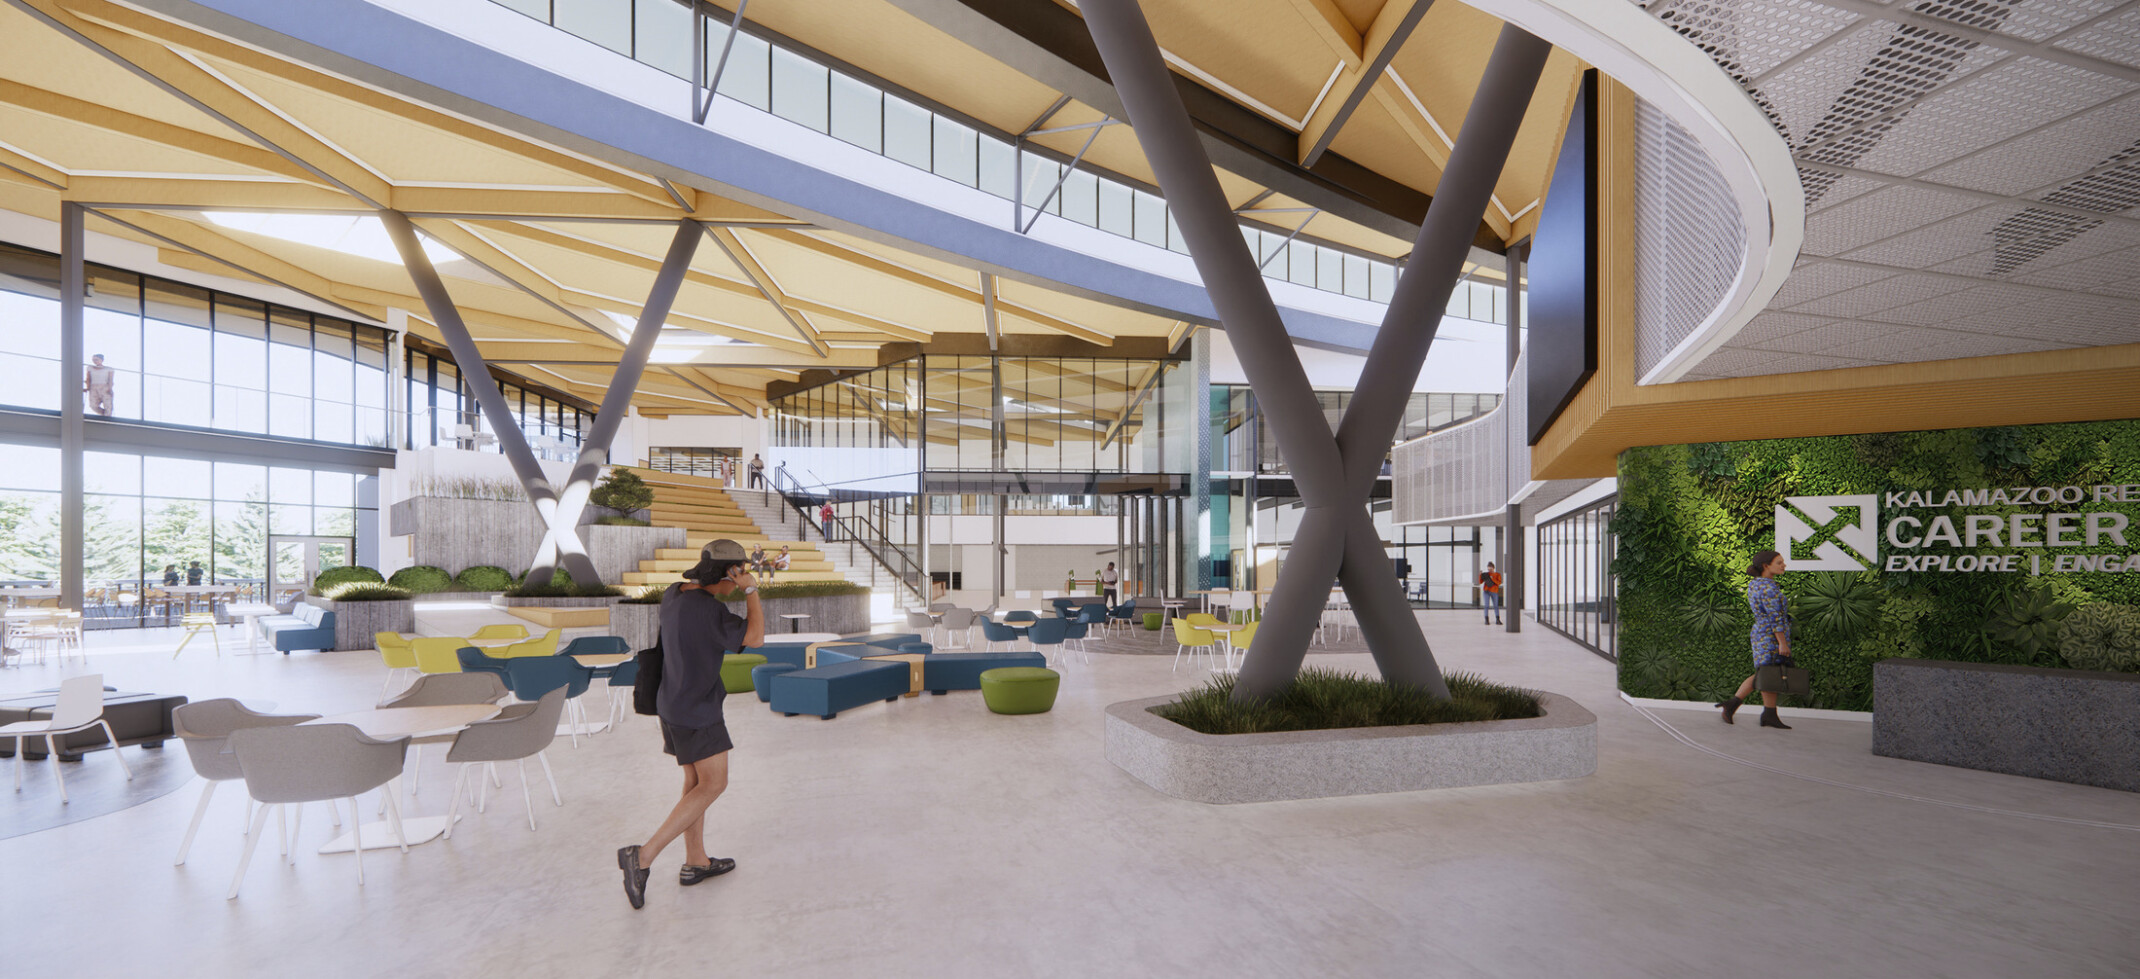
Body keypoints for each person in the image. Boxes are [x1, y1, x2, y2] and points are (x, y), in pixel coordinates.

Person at [618, 539, 764, 910]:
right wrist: (751, 592)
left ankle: (695, 861)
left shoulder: (675, 593)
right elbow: (755, 637)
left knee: (695, 783)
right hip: (698, 710)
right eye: (738, 573)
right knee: (715, 783)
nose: (739, 581)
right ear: (729, 573)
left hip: (671, 704)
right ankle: (643, 855)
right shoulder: (710, 612)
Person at [1720, 549, 1794, 730]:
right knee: (1767, 673)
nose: (1784, 565)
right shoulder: (1768, 588)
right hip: (1769, 636)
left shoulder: (1756, 584)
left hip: (1761, 633)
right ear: (1766, 566)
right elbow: (1775, 618)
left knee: (1768, 674)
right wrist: (1782, 643)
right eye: (1779, 562)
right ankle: (1739, 706)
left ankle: (1766, 713)